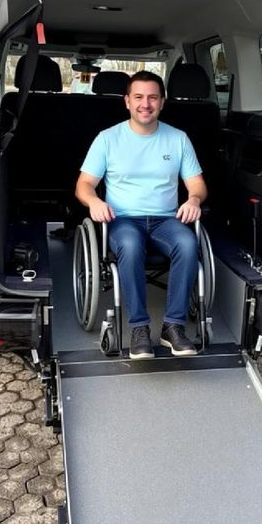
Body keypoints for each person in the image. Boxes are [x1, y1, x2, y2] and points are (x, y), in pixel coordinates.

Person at [75, 70, 208, 360]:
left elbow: (197, 185)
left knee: (188, 244)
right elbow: (83, 185)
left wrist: (194, 199)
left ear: (162, 102)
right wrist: (94, 201)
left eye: (152, 98)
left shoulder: (178, 139)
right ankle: (139, 328)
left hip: (165, 220)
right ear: (127, 101)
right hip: (123, 220)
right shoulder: (107, 139)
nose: (145, 104)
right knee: (131, 246)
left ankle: (173, 327)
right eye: (138, 97)